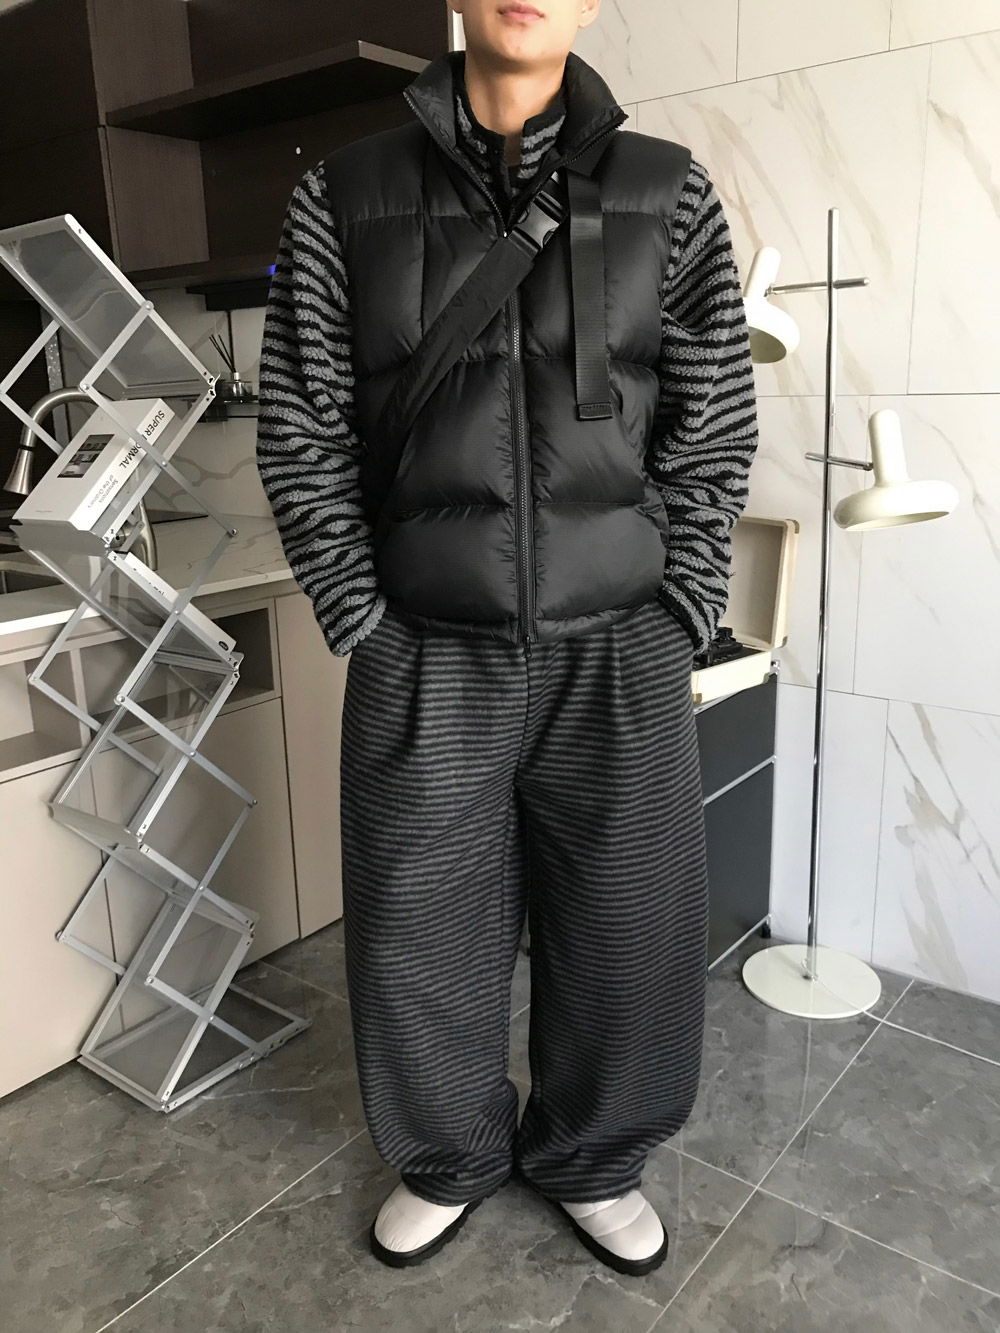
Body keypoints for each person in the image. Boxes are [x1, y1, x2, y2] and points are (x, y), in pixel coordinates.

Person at [256, 0, 758, 1279]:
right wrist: (363, 619)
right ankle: (448, 1155)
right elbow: (302, 424)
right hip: (425, 646)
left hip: (619, 647)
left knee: (630, 928)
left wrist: (680, 610)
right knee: (416, 928)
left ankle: (594, 1156)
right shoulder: (343, 196)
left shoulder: (668, 191)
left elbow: (712, 423)